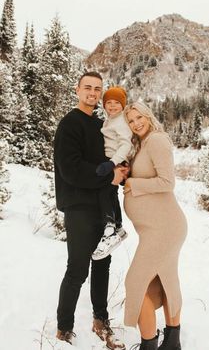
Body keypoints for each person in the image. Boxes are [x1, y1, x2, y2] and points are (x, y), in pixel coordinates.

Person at [54, 71, 127, 349]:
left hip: (102, 205)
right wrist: (109, 176)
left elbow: (113, 156)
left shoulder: (102, 124)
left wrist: (121, 171)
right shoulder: (70, 124)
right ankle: (64, 329)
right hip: (79, 206)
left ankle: (101, 321)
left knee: (102, 264)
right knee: (77, 270)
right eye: (88, 88)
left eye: (97, 89)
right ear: (77, 90)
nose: (93, 93)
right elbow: (70, 169)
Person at [123, 102, 187, 350]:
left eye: (139, 117)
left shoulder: (157, 140)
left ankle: (149, 345)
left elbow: (167, 182)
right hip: (158, 228)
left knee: (135, 283)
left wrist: (133, 185)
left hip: (164, 228)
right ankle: (172, 342)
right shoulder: (143, 144)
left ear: (148, 115)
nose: (136, 123)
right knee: (163, 282)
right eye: (131, 120)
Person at [92, 86, 132, 260]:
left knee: (104, 193)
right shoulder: (110, 120)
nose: (113, 106)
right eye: (109, 102)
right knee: (111, 193)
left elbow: (125, 145)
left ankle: (109, 229)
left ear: (123, 105)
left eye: (117, 103)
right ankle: (119, 228)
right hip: (112, 160)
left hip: (116, 161)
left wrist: (111, 163)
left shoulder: (121, 122)